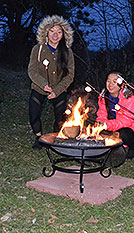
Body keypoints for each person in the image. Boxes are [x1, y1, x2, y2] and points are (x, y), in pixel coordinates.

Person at [28, 15, 75, 150]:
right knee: (33, 115)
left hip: (59, 90)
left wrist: (56, 91)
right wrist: (43, 85)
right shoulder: (38, 49)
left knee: (60, 118)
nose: (55, 35)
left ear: (63, 34)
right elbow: (32, 71)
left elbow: (70, 75)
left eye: (59, 32)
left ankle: (55, 138)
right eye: (52, 31)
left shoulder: (67, 52)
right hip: (39, 88)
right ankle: (39, 138)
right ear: (46, 32)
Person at [96, 71, 134, 163]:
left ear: (121, 84)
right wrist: (101, 123)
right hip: (111, 126)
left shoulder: (129, 97)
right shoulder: (104, 96)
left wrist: (108, 125)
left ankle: (132, 148)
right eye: (108, 81)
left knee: (125, 133)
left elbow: (127, 121)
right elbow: (101, 114)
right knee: (98, 131)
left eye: (114, 81)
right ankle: (111, 148)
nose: (110, 84)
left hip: (127, 127)